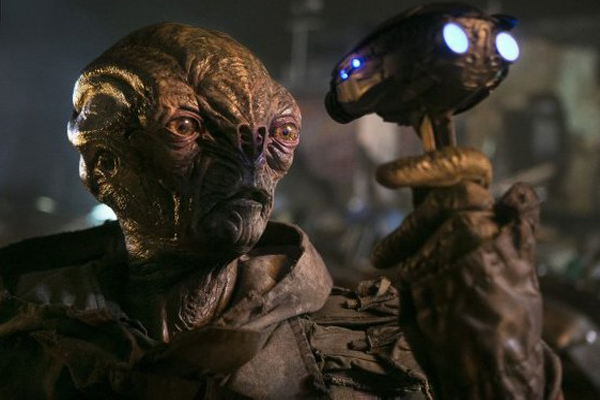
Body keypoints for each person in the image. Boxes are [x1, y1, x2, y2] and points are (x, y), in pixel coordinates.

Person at [0, 23, 561, 399]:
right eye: (187, 128)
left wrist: (498, 357)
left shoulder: (385, 341)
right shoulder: (24, 338)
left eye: (280, 134)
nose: (249, 165)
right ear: (105, 166)